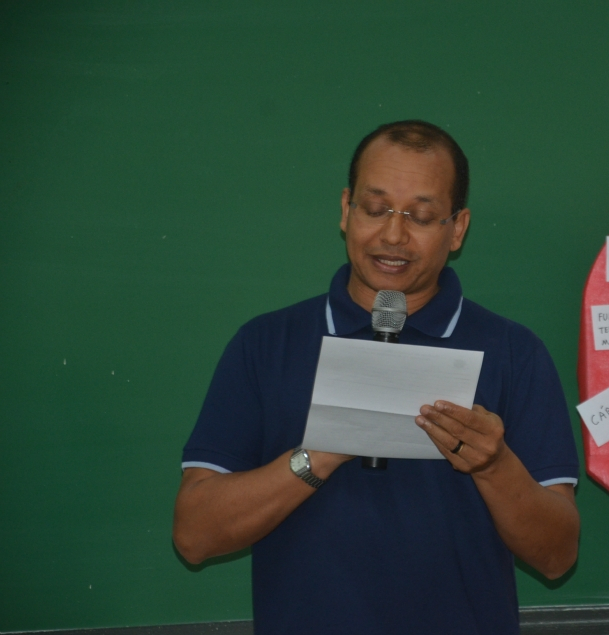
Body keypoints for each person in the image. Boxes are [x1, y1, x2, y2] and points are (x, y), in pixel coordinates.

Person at [173, 120, 580, 635]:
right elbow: (194, 535)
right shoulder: (265, 344)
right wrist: (318, 454)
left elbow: (558, 556)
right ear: (346, 211)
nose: (393, 234)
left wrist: (494, 466)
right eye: (375, 209)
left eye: (422, 216)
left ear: (457, 229)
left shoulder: (514, 352)